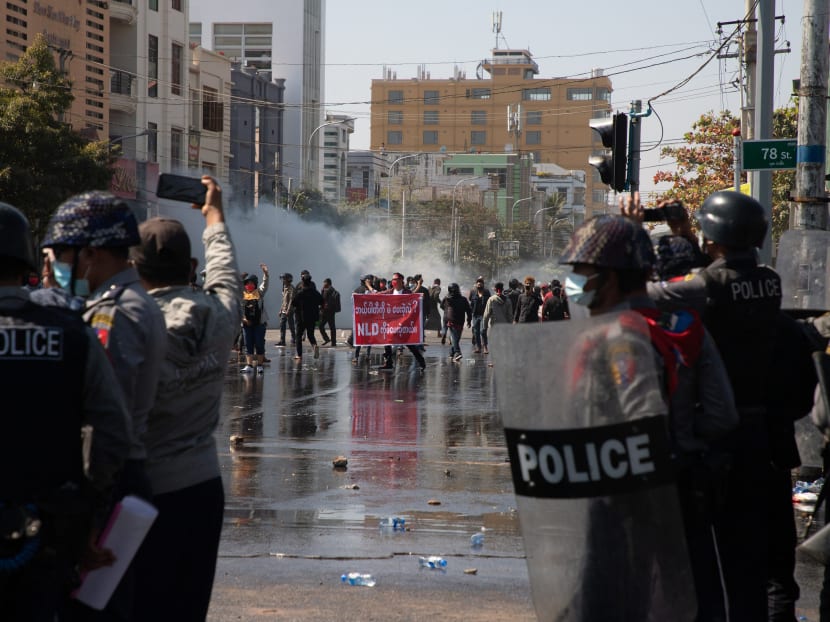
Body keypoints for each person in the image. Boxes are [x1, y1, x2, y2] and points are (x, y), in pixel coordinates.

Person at [624, 190, 808, 621]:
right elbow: (727, 278)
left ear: (715, 239)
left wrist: (634, 231)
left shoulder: (704, 287)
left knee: (727, 558)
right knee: (771, 559)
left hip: (723, 436)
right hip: (769, 436)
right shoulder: (769, 282)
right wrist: (686, 232)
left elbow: (643, 294)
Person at [559, 214, 739, 619]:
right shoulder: (685, 325)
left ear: (611, 277)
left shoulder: (617, 336)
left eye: (582, 273)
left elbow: (639, 420)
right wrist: (685, 444)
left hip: (622, 503)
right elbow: (722, 414)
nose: (575, 284)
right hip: (685, 491)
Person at [40, 190, 168, 620]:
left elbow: (107, 421)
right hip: (112, 477)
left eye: (60, 255)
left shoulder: (118, 313)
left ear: (90, 253)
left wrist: (91, 516)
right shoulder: (116, 303)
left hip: (108, 479)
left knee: (95, 609)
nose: (56, 267)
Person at [0, 202, 130, 622]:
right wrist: (89, 513)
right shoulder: (72, 332)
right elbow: (112, 431)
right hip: (51, 532)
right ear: (25, 261)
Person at [129, 175, 241, 621]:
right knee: (187, 607)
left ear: (136, 270)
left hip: (143, 491)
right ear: (189, 268)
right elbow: (226, 273)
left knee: (139, 604)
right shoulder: (219, 316)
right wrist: (214, 216)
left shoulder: (129, 323)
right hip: (202, 488)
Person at [377, 272, 426, 371]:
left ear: (401, 281)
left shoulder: (406, 293)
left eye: (395, 279)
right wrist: (360, 296)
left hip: (403, 323)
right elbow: (377, 295)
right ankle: (388, 362)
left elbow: (414, 298)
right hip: (392, 322)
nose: (393, 281)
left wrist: (420, 296)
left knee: (409, 344)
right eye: (393, 280)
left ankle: (421, 362)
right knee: (387, 340)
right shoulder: (390, 292)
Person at [240, 264, 270, 375]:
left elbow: (265, 284)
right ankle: (249, 365)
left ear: (255, 284)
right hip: (246, 324)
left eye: (251, 283)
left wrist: (266, 274)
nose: (249, 285)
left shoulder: (259, 293)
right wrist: (243, 319)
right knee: (248, 344)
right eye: (247, 283)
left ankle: (260, 365)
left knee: (259, 344)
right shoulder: (241, 295)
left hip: (259, 324)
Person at [293, 270, 323, 361]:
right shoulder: (315, 292)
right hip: (312, 317)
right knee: (310, 335)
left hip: (301, 318)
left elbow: (294, 303)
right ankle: (314, 346)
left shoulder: (300, 293)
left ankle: (299, 355)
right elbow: (322, 301)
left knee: (298, 336)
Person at [442, 282, 472, 362]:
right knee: (455, 338)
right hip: (454, 322)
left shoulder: (448, 298)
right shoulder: (449, 299)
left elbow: (469, 311)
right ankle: (457, 353)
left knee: (456, 339)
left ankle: (452, 353)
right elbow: (469, 311)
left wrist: (469, 320)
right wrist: (469, 320)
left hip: (458, 321)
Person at [350, 273, 375, 364]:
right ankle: (364, 355)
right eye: (370, 279)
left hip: (364, 318)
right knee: (366, 337)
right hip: (366, 318)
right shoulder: (361, 290)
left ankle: (358, 356)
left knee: (363, 337)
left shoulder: (359, 290)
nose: (372, 281)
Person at [468, 276, 491, 354]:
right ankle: (478, 347)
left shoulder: (487, 292)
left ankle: (485, 347)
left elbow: (489, 303)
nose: (479, 284)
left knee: (482, 331)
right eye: (478, 283)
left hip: (483, 315)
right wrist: (469, 316)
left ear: (483, 285)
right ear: (476, 285)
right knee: (476, 332)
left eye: (481, 283)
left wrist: (490, 313)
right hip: (475, 315)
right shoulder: (473, 292)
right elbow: (470, 301)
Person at [319, 277, 341, 347]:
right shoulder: (325, 290)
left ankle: (332, 342)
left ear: (327, 283)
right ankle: (329, 340)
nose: (323, 284)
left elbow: (324, 299)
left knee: (329, 327)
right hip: (326, 312)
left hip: (329, 312)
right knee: (322, 326)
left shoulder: (330, 290)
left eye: (324, 283)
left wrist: (322, 291)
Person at [275, 272, 295, 347]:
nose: (283, 280)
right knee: (282, 325)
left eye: (284, 279)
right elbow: (284, 300)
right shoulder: (284, 288)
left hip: (289, 310)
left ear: (288, 280)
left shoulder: (291, 288)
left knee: (291, 325)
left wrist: (288, 310)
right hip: (284, 309)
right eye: (283, 279)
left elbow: (291, 300)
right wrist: (281, 310)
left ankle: (294, 338)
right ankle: (282, 340)